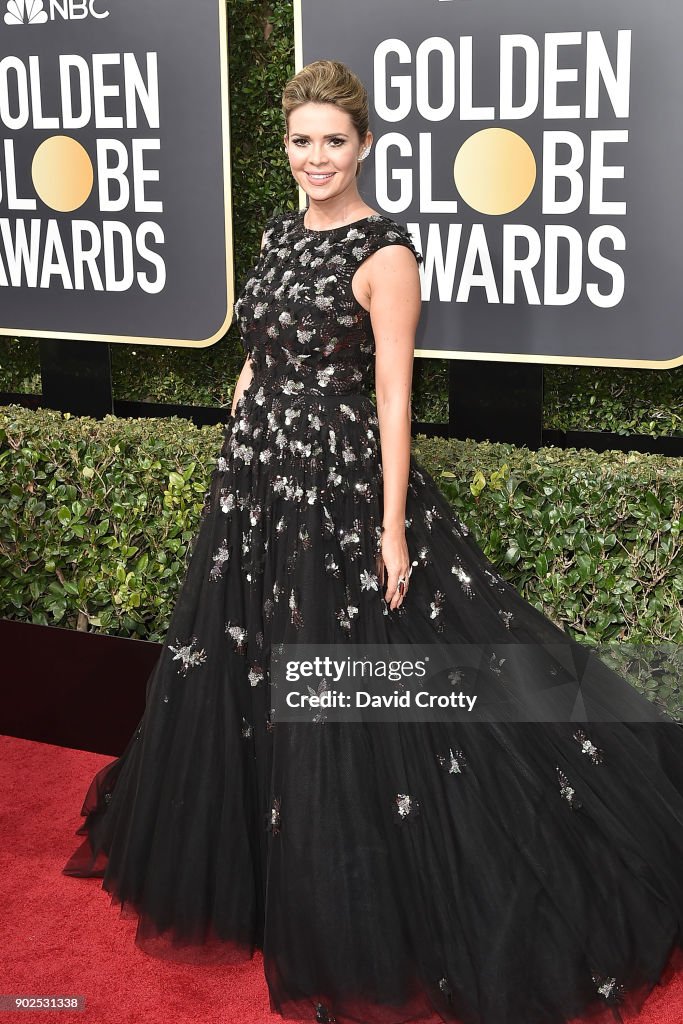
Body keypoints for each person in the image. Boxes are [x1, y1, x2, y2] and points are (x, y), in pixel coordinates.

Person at [63, 60, 683, 1024]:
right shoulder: (274, 234)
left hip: (337, 487)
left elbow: (394, 397)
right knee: (249, 670)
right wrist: (240, 427)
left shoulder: (386, 253)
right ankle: (273, 879)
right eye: (301, 141)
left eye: (334, 141)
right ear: (286, 147)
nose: (317, 158)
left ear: (364, 146)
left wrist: (390, 528)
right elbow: (258, 353)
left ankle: (367, 892)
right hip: (257, 484)